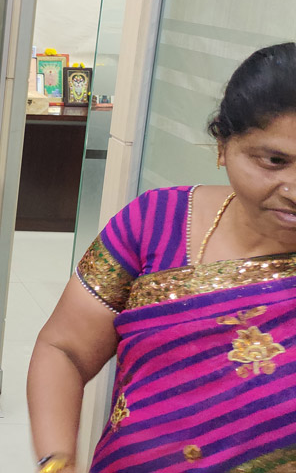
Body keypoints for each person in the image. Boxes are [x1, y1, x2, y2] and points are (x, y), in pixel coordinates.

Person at [27, 42, 296, 473]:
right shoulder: (156, 221)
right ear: (223, 145)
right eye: (274, 160)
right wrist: (56, 461)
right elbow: (64, 349)